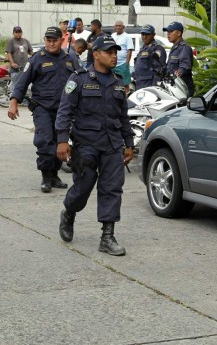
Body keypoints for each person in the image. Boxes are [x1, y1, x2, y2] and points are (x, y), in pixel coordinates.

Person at [55, 36, 135, 256]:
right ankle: (69, 212)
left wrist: (129, 144)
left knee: (111, 189)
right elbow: (65, 111)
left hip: (111, 146)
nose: (113, 55)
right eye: (109, 51)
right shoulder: (79, 79)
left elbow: (124, 117)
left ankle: (107, 237)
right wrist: (62, 140)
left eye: (115, 51)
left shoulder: (118, 82)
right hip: (86, 145)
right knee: (83, 188)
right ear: (96, 54)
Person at [6, 26, 79, 193]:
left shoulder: (70, 59)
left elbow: (80, 80)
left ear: (62, 41)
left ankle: (54, 175)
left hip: (64, 111)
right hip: (43, 109)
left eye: (55, 40)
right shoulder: (37, 59)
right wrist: (13, 102)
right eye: (48, 40)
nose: (51, 43)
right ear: (45, 40)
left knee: (60, 142)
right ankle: (46, 177)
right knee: (45, 142)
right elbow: (22, 83)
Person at [163, 21, 194, 97]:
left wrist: (179, 72)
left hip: (182, 88)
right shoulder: (175, 47)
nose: (168, 34)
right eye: (167, 32)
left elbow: (185, 66)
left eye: (171, 31)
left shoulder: (184, 47)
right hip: (175, 88)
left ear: (179, 33)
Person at [133, 24, 166, 90]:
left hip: (149, 85)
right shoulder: (143, 48)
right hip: (140, 84)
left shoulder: (157, 49)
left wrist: (155, 88)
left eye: (147, 34)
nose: (144, 37)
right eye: (143, 34)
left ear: (153, 35)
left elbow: (159, 71)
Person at [5, 26, 33, 94]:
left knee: (25, 85)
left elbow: (30, 51)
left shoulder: (26, 41)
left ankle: (24, 101)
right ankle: (14, 101)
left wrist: (36, 55)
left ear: (22, 33)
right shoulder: (11, 41)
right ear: (13, 33)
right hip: (15, 68)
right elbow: (9, 53)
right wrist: (12, 63)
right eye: (16, 32)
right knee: (16, 85)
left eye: (19, 32)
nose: (18, 34)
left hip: (25, 67)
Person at [111, 19, 134, 94]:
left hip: (123, 64)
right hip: (113, 64)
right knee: (113, 83)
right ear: (114, 27)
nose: (118, 27)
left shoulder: (127, 36)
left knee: (125, 84)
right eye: (116, 26)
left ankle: (126, 98)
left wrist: (126, 64)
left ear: (123, 27)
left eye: (120, 26)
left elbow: (129, 51)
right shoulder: (112, 36)